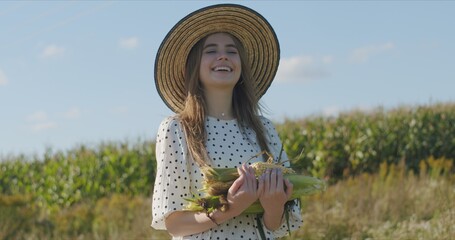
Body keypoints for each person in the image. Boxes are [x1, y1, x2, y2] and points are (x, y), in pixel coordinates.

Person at [151, 4, 303, 239]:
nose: (223, 56)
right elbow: (174, 222)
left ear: (241, 65)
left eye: (232, 51)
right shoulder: (177, 130)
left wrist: (274, 207)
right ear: (194, 66)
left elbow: (277, 225)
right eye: (210, 50)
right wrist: (230, 207)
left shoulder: (264, 130)